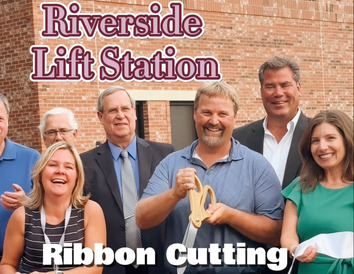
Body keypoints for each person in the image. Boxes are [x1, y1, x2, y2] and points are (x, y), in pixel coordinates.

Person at [136, 81, 284, 273]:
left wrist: (232, 216)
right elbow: (142, 219)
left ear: (234, 117)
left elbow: (277, 233)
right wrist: (173, 194)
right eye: (207, 113)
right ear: (195, 115)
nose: (214, 121)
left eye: (222, 114)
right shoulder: (170, 164)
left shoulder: (257, 165)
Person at [80, 86, 174, 274]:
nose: (120, 115)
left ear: (134, 112)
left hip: (158, 263)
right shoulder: (84, 163)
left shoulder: (166, 155)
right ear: (100, 117)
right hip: (110, 265)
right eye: (113, 110)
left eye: (125, 109)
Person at [0, 141, 106, 273]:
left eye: (68, 167)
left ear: (77, 177)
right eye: (52, 165)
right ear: (40, 174)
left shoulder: (90, 211)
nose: (60, 171)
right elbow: (7, 264)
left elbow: (95, 267)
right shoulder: (22, 216)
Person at [281, 110, 353, 273]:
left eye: (330, 138)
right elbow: (288, 236)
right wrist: (295, 249)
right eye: (315, 141)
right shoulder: (300, 187)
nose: (322, 147)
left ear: (347, 141)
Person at [233, 56, 310, 189]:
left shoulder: (317, 135)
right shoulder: (238, 139)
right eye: (270, 86)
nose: (278, 93)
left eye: (285, 85)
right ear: (261, 92)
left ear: (298, 88)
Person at [0, 93, 40, 259]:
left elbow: (56, 211)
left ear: (8, 120)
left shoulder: (31, 159)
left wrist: (27, 203)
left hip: (18, 263)